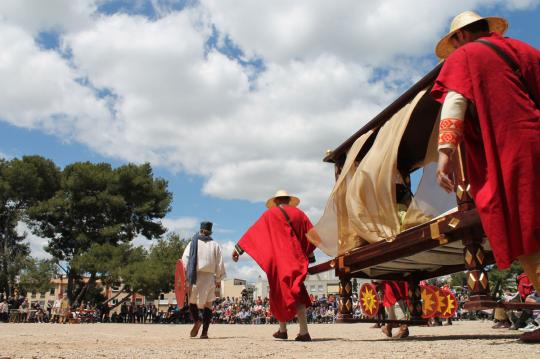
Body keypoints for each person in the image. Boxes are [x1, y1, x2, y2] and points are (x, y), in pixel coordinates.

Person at [431, 10, 540, 343]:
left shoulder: (466, 55)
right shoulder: (526, 50)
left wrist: (446, 152)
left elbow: (455, 99)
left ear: (460, 38)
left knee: (529, 228)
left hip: (514, 146)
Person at [232, 190, 318, 341]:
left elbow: (254, 233)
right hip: (296, 259)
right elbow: (311, 236)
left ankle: (285, 330)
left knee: (278, 293)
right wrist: (310, 257)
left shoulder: (269, 215)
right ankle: (300, 331)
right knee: (297, 291)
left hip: (278, 262)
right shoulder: (299, 214)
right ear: (288, 200)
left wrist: (238, 250)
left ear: (276, 201)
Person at [182, 221, 226, 339]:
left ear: (201, 230)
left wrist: (185, 276)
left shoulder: (192, 243)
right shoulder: (215, 245)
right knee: (208, 304)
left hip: (195, 276)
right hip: (210, 277)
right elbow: (219, 263)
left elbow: (185, 260)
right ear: (210, 232)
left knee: (191, 301)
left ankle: (197, 320)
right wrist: (218, 278)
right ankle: (204, 333)